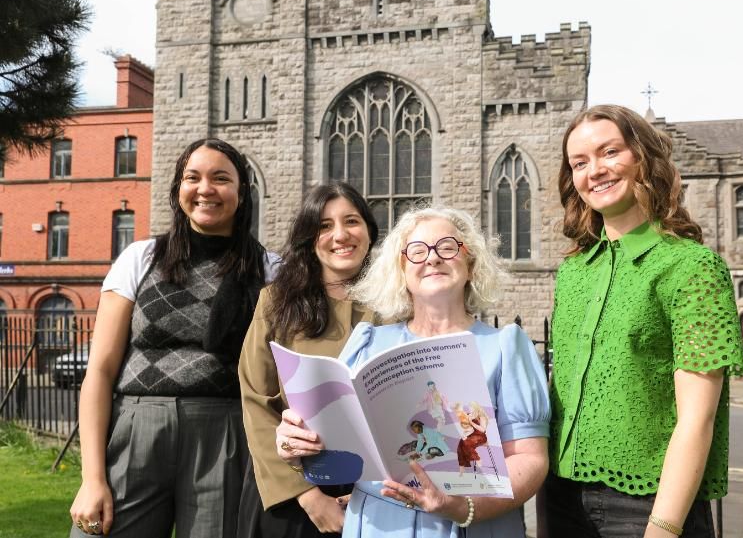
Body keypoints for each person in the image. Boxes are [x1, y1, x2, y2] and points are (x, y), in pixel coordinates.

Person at [276, 206, 551, 538]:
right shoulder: (368, 344)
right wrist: (295, 447)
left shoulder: (506, 347)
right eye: (417, 252)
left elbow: (530, 460)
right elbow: (335, 456)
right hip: (378, 524)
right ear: (401, 271)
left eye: (447, 247)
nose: (432, 259)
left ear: (471, 263)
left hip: (474, 526)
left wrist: (463, 507)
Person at [543, 105, 743, 538]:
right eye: (579, 163)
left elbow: (697, 418)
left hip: (647, 507)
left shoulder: (692, 267)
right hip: (559, 496)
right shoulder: (574, 272)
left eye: (609, 152)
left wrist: (663, 527)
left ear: (642, 156)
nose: (594, 170)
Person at [69, 138, 280, 537]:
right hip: (136, 428)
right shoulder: (140, 258)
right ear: (178, 189)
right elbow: (99, 370)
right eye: (192, 177)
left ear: (242, 192)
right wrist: (92, 477)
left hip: (226, 433)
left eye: (221, 178)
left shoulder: (269, 269)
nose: (205, 189)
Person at [237, 182, 379, 538]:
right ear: (308, 237)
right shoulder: (276, 303)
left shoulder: (398, 306)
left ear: (369, 231)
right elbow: (256, 403)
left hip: (379, 495)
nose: (340, 235)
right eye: (325, 226)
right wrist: (308, 496)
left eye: (351, 221)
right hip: (293, 495)